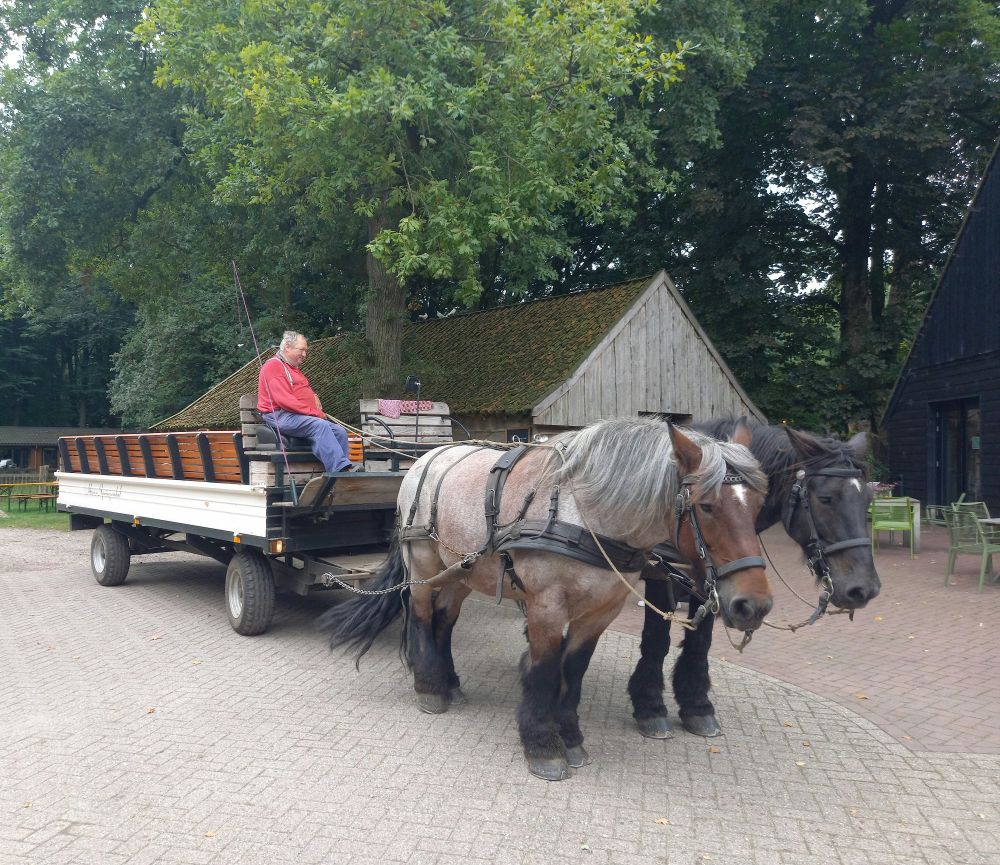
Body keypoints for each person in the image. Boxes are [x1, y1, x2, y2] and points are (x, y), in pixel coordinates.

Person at [258, 330, 356, 474]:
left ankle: (338, 472)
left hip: (296, 416)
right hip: (280, 415)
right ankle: (340, 471)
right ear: (287, 348)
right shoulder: (274, 366)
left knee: (339, 431)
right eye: (301, 350)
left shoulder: (292, 369)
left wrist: (314, 395)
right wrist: (315, 413)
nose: (305, 354)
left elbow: (302, 389)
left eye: (305, 351)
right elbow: (285, 401)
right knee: (320, 425)